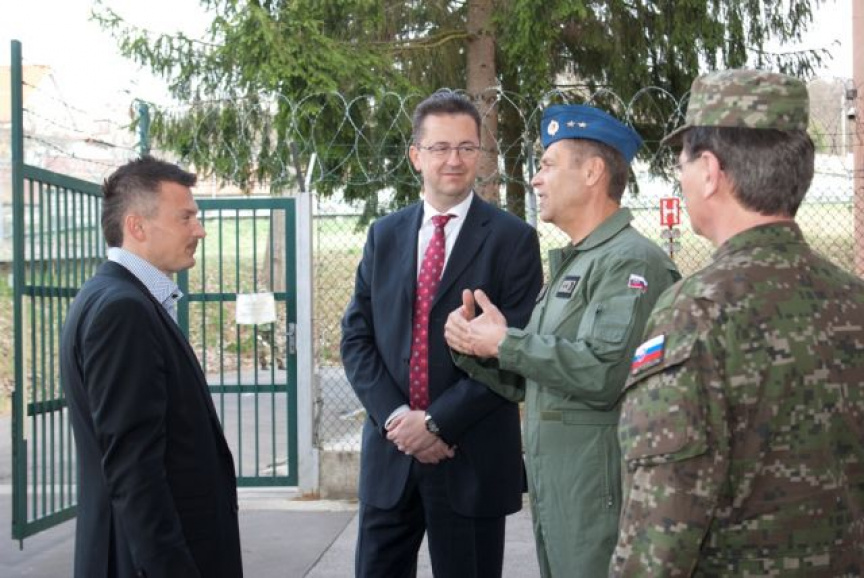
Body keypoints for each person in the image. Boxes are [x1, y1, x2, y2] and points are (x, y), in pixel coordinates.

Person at [610, 69, 864, 576]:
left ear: (709, 171)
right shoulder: (853, 299)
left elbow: (659, 536)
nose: (681, 179)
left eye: (682, 164)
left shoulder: (694, 312)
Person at [445, 104, 680, 577]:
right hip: (564, 492)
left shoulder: (630, 262)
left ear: (592, 173)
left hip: (599, 497)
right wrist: (476, 346)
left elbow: (605, 372)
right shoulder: (579, 262)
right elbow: (539, 378)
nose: (535, 179)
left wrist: (506, 343)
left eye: (548, 164)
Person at [340, 91, 543, 578]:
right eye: (440, 147)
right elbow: (357, 339)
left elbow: (512, 353)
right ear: (416, 155)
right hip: (392, 456)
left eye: (467, 147)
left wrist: (435, 423)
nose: (454, 159)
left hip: (470, 456)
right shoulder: (385, 235)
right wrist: (399, 420)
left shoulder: (513, 240)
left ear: (480, 154)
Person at [60, 156, 242, 578]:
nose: (199, 230)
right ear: (137, 227)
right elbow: (134, 467)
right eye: (185, 218)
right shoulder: (123, 310)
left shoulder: (115, 296)